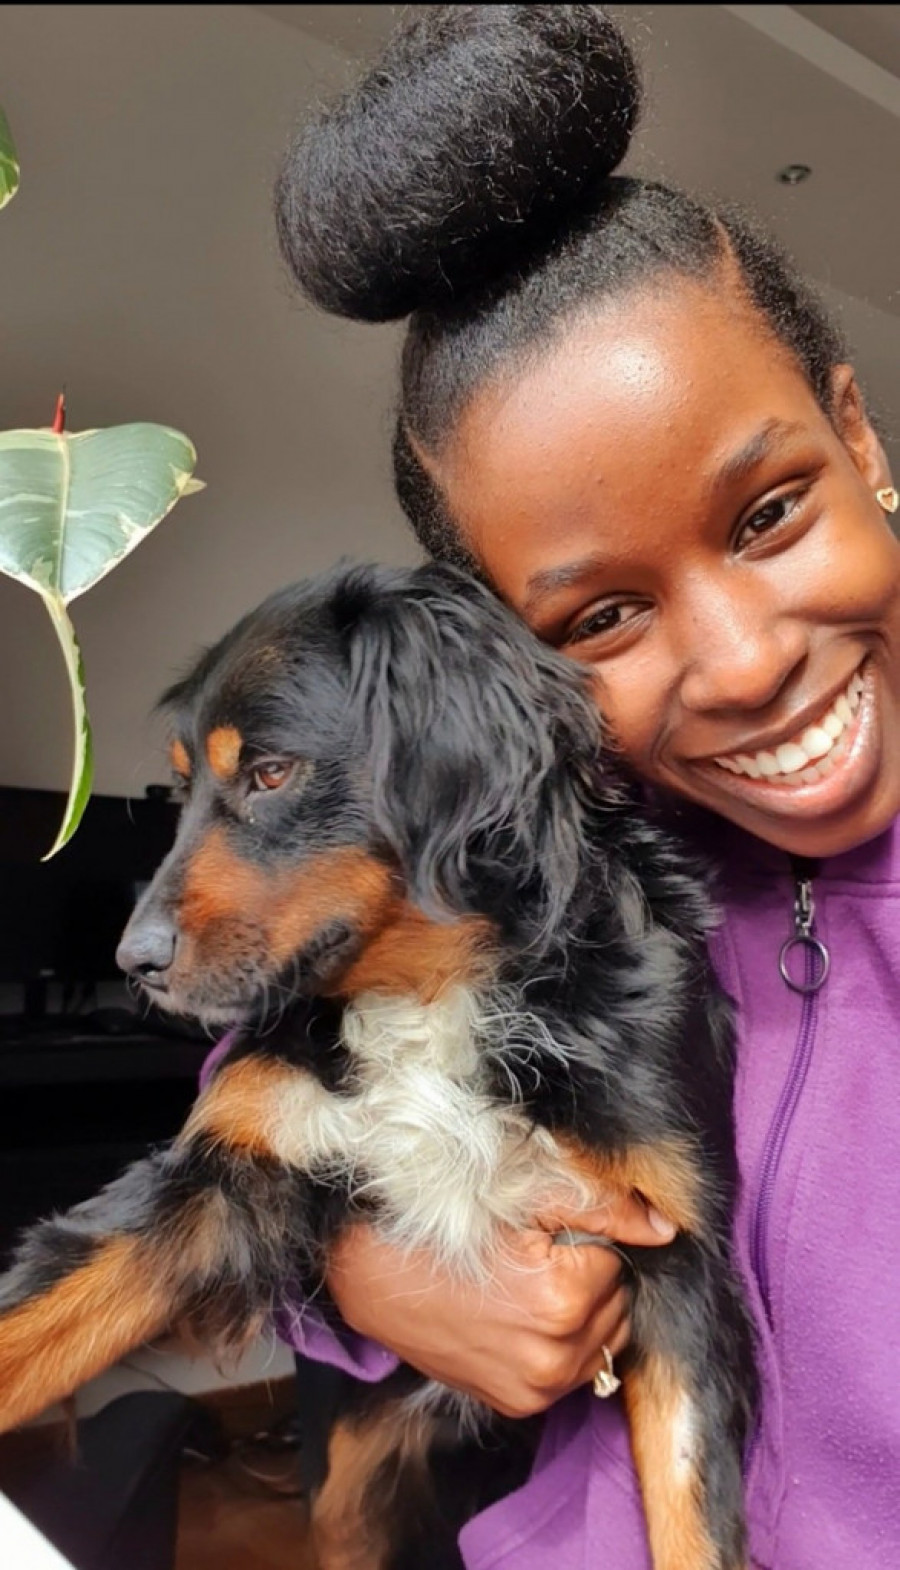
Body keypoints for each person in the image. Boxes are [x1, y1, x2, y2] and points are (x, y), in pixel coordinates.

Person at [271, 7, 900, 1566]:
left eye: (768, 512)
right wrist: (358, 1259)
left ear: (860, 437)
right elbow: (277, 1047)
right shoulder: (565, 853)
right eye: (603, 616)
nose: (744, 662)